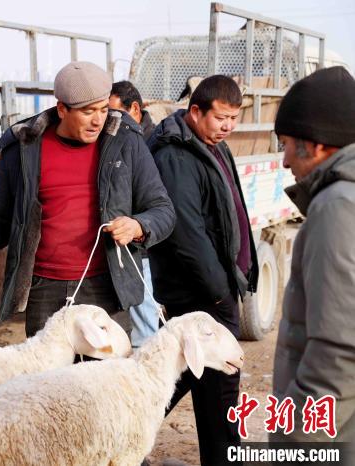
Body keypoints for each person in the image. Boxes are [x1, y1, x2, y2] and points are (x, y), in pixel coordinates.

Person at [0, 61, 175, 337]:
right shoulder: (23, 148)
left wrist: (138, 226)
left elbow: (163, 209)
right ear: (62, 109)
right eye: (88, 112)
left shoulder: (125, 141)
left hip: (106, 287)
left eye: (102, 109)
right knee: (48, 380)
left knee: (98, 380)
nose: (98, 120)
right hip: (44, 291)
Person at [147, 74, 258, 466]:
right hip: (199, 296)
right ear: (195, 111)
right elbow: (186, 234)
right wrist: (219, 292)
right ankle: (116, 432)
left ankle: (120, 433)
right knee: (218, 397)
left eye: (233, 118)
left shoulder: (211, 145)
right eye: (221, 118)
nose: (228, 126)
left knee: (180, 382)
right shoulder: (175, 155)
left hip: (212, 290)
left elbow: (231, 212)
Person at [270, 67, 355, 452]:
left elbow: (339, 348)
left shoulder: (336, 205)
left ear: (317, 144)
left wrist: (297, 439)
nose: (285, 160)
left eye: (286, 143)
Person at [109, 80, 158, 347]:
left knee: (143, 310)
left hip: (143, 240)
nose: (108, 120)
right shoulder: (116, 138)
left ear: (135, 108)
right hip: (123, 236)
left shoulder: (153, 142)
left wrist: (138, 225)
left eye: (114, 113)